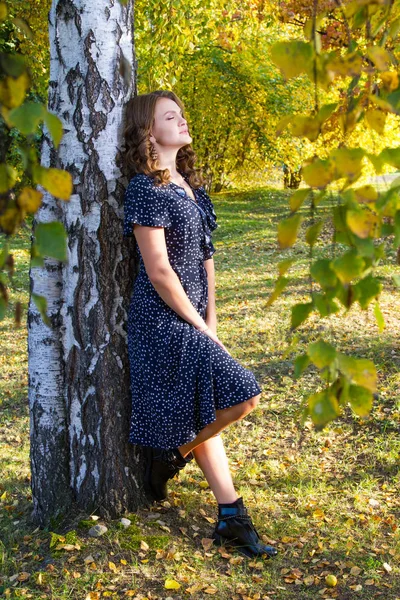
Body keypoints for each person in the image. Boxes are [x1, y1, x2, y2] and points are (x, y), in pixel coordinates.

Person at [122, 90, 277, 559]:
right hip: (160, 320)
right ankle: (172, 457)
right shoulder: (144, 189)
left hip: (195, 319)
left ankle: (230, 515)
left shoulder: (194, 193)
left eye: (183, 112)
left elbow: (206, 262)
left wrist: (212, 320)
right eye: (171, 116)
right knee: (244, 394)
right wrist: (196, 325)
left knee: (207, 405)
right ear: (149, 132)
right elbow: (159, 271)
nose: (183, 120)